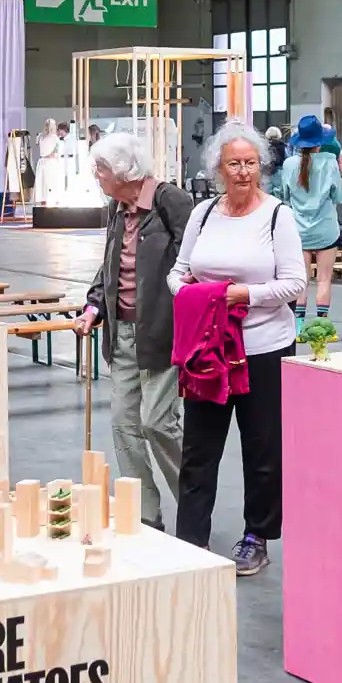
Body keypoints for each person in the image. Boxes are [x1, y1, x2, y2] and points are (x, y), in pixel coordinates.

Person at [169, 122, 306, 575]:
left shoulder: (277, 216)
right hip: (208, 347)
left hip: (264, 347)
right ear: (218, 169)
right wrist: (192, 294)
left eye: (250, 162)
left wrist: (241, 296)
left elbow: (294, 284)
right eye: (234, 163)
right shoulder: (203, 214)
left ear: (261, 166)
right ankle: (190, 540)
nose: (244, 171)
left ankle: (256, 536)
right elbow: (179, 271)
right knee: (199, 448)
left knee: (262, 447)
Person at [80, 129, 196, 529]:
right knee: (124, 425)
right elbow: (110, 264)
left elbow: (192, 264)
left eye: (101, 169)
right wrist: (94, 304)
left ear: (124, 171)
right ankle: (146, 514)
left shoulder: (171, 201)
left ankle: (196, 499)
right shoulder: (116, 207)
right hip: (122, 333)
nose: (97, 176)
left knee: (158, 422)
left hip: (162, 332)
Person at [275, 114, 342, 320]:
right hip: (326, 231)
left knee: (302, 280)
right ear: (320, 140)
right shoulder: (329, 162)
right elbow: (339, 196)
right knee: (324, 279)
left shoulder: (289, 164)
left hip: (299, 230)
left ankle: (298, 327)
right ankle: (322, 327)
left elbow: (284, 195)